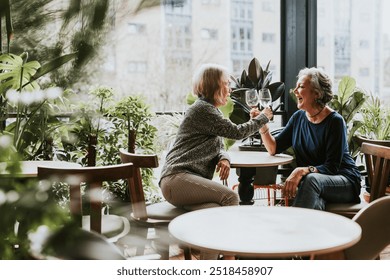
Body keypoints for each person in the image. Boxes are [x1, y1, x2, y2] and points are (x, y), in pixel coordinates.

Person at [159, 63, 273, 212]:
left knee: (213, 209)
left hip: (178, 181)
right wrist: (263, 117)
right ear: (214, 86)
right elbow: (237, 132)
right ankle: (233, 236)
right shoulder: (203, 109)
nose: (230, 89)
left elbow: (219, 145)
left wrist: (224, 157)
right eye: (226, 84)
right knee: (231, 197)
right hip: (178, 179)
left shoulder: (209, 110)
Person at [259, 67, 361, 210]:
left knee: (311, 180)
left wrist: (300, 171)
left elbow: (332, 167)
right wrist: (261, 123)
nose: (295, 91)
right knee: (315, 200)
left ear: (317, 94)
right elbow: (273, 148)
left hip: (344, 181)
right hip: (316, 183)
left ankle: (294, 226)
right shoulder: (298, 118)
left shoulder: (334, 121)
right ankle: (307, 230)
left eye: (300, 86)